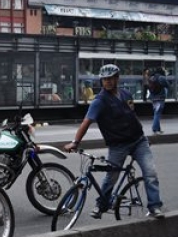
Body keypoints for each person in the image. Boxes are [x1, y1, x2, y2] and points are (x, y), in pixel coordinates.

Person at [64, 64, 164, 219]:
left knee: (150, 173)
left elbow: (132, 116)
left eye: (111, 78)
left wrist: (144, 136)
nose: (108, 82)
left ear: (117, 78)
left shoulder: (126, 94)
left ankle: (154, 207)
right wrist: (75, 142)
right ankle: (101, 205)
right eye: (104, 79)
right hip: (118, 145)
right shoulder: (100, 101)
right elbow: (86, 121)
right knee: (111, 176)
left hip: (138, 141)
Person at [147, 68, 169, 135]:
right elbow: (168, 85)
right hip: (160, 98)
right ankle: (154, 129)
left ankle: (158, 129)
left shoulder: (152, 77)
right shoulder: (161, 78)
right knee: (157, 114)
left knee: (156, 113)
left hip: (153, 99)